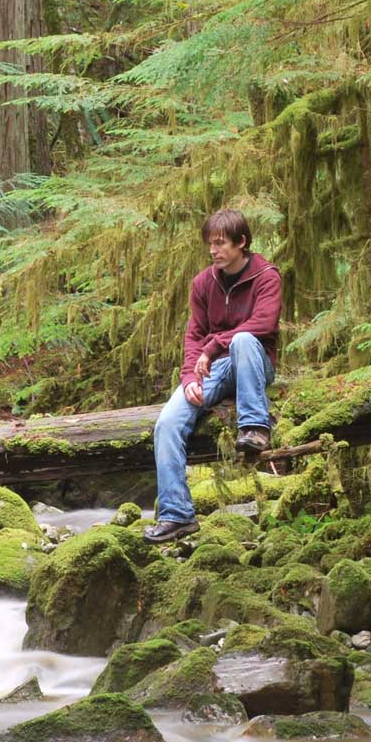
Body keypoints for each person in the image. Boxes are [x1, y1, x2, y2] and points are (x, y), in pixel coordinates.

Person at [144, 208, 282, 543]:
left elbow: (263, 324)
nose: (213, 250)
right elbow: (194, 335)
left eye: (220, 243)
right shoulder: (203, 283)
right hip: (212, 368)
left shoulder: (266, 276)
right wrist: (190, 376)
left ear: (242, 243)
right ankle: (177, 515)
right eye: (210, 243)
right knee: (167, 423)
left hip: (254, 361)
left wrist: (215, 345)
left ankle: (254, 428)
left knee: (243, 339)